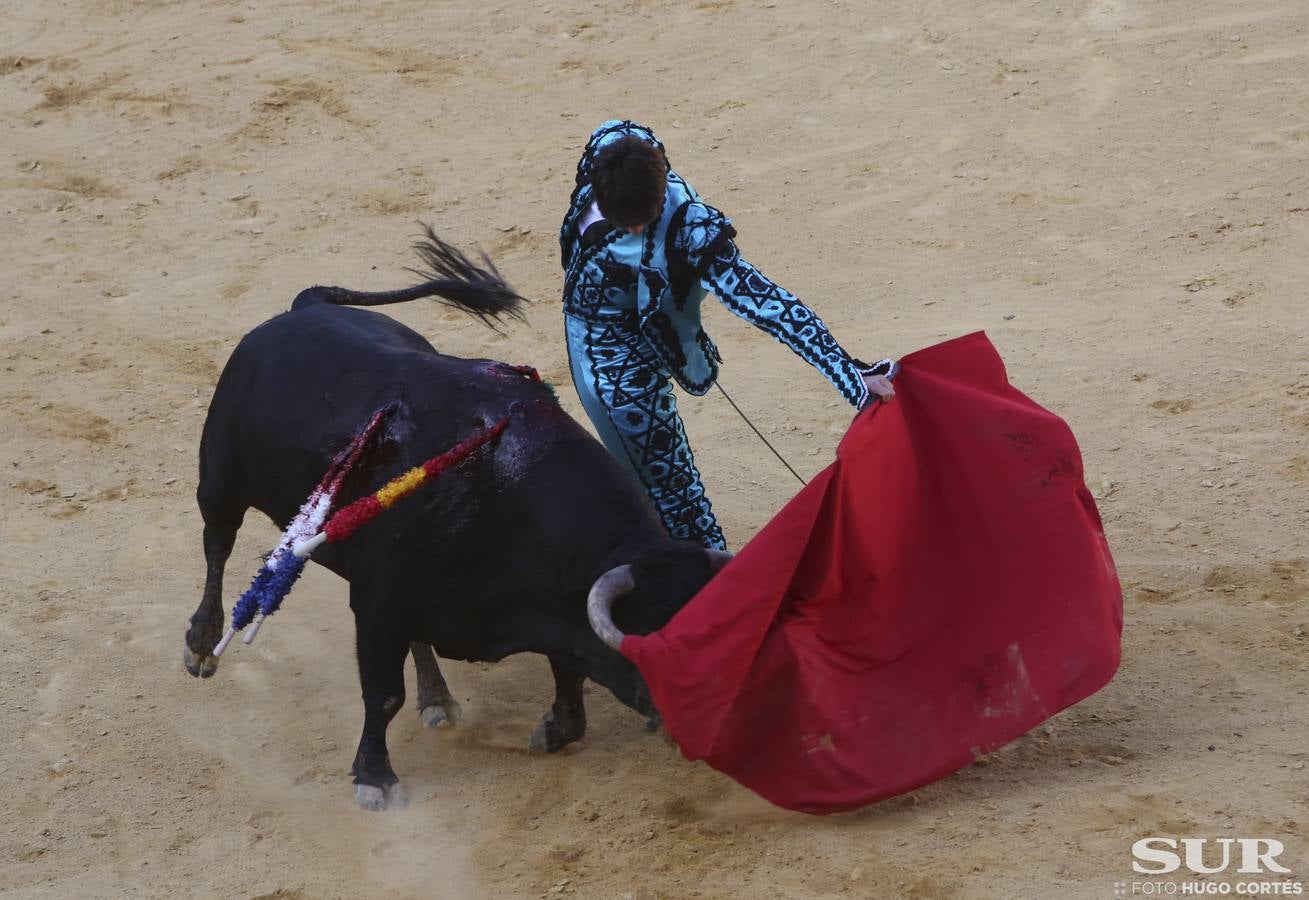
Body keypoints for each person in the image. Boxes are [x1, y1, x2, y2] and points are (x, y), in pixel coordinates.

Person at [559, 119, 896, 551]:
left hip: (624, 344)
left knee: (670, 498)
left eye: (641, 222)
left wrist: (848, 372)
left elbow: (768, 304)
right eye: (625, 223)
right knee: (674, 497)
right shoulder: (616, 143)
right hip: (611, 364)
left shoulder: (692, 233)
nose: (636, 231)